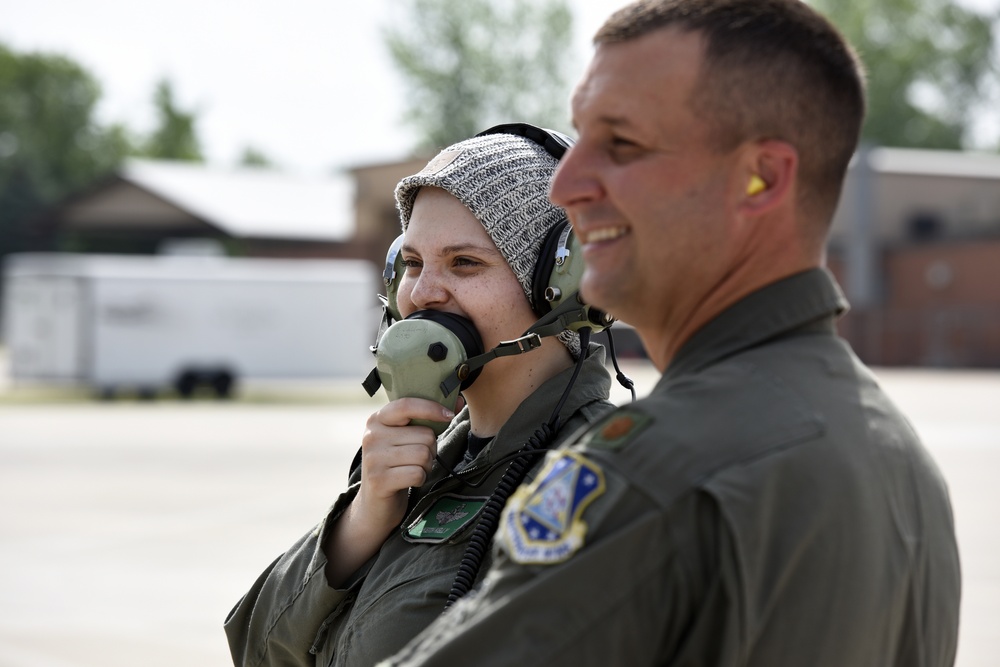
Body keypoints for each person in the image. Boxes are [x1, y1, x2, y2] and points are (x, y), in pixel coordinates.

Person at [382, 1, 962, 665]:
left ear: (762, 177)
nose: (567, 186)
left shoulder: (655, 472)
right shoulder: (898, 454)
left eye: (621, 144)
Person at [224, 127, 618, 667]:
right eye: (411, 263)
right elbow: (257, 651)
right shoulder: (421, 464)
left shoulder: (597, 480)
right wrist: (363, 519)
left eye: (464, 263)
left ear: (561, 283)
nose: (420, 292)